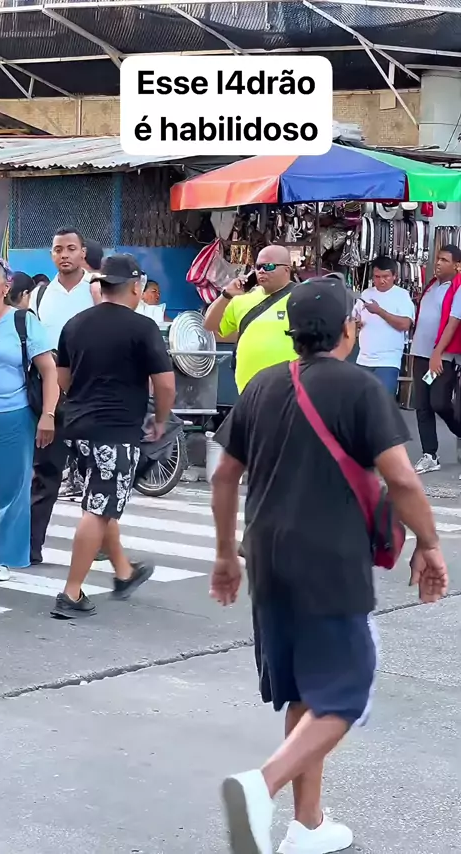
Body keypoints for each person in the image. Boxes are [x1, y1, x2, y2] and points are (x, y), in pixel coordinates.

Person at [209, 275, 448, 854]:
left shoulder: (263, 386)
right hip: (330, 563)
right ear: (349, 327)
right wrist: (430, 544)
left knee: (305, 693)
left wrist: (223, 554)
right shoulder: (359, 387)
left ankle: (308, 826)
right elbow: (401, 478)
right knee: (345, 692)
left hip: (267, 559)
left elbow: (223, 475)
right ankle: (262, 785)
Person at [51, 254, 175, 619]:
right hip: (116, 430)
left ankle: (123, 572)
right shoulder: (142, 327)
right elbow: (165, 384)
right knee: (98, 508)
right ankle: (71, 593)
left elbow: (62, 378)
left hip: (78, 428)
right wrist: (161, 420)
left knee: (101, 499)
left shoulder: (75, 324)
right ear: (135, 287)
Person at [0, 256, 58, 581]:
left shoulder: (23, 322)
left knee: (11, 491)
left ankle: (2, 559)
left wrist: (48, 415)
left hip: (13, 418)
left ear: (6, 287)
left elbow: (49, 372)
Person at [29, 228, 102, 565]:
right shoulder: (40, 295)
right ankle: (31, 546)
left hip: (89, 392)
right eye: (58, 249)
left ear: (82, 252)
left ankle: (99, 543)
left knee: (95, 472)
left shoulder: (96, 288)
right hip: (51, 395)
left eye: (71, 248)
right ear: (52, 255)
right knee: (45, 473)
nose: (64, 255)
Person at [203, 245, 297, 392]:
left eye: (269, 266)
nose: (262, 271)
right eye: (258, 267)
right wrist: (226, 295)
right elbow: (210, 327)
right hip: (247, 390)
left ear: (286, 270)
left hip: (289, 390)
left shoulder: (302, 297)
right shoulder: (242, 298)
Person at [410, 244, 461, 474]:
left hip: (442, 356)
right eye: (438, 258)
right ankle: (430, 455)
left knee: (439, 402)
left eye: (444, 260)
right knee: (422, 406)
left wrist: (437, 353)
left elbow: (453, 323)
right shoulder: (431, 286)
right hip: (420, 353)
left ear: (457, 265)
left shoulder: (457, 287)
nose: (438, 263)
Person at [355, 256, 415, 394]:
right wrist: (356, 323)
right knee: (360, 401)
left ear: (394, 276)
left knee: (383, 400)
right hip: (363, 359)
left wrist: (379, 311)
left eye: (385, 276)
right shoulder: (366, 293)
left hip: (388, 361)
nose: (381, 281)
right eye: (377, 277)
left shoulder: (402, 296)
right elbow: (355, 317)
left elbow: (405, 325)